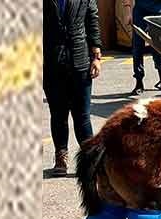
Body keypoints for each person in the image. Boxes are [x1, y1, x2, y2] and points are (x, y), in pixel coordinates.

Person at [43, 0, 102, 175]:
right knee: (58, 114)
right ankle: (61, 159)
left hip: (80, 61)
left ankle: (90, 161)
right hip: (52, 62)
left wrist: (96, 56)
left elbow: (92, 21)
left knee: (82, 116)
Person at [123, 0, 161, 95]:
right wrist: (128, 12)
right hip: (141, 11)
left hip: (160, 10)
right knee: (137, 47)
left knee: (159, 46)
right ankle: (139, 82)